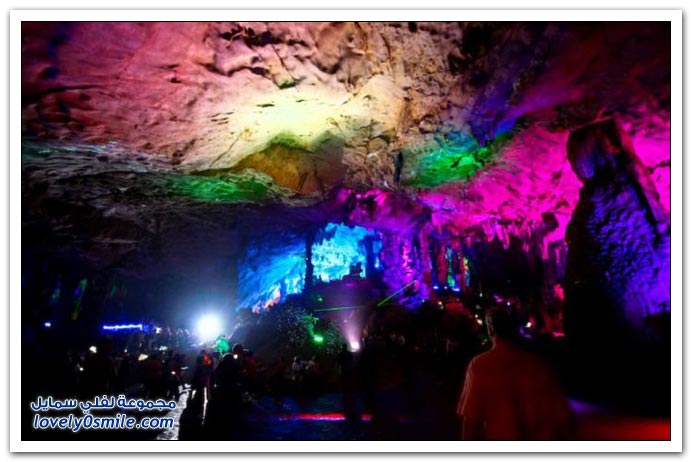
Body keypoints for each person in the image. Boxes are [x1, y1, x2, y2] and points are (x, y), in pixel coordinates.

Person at [457, 306, 574, 440]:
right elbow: (562, 417)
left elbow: (471, 419)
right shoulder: (538, 365)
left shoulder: (479, 366)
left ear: (490, 330)